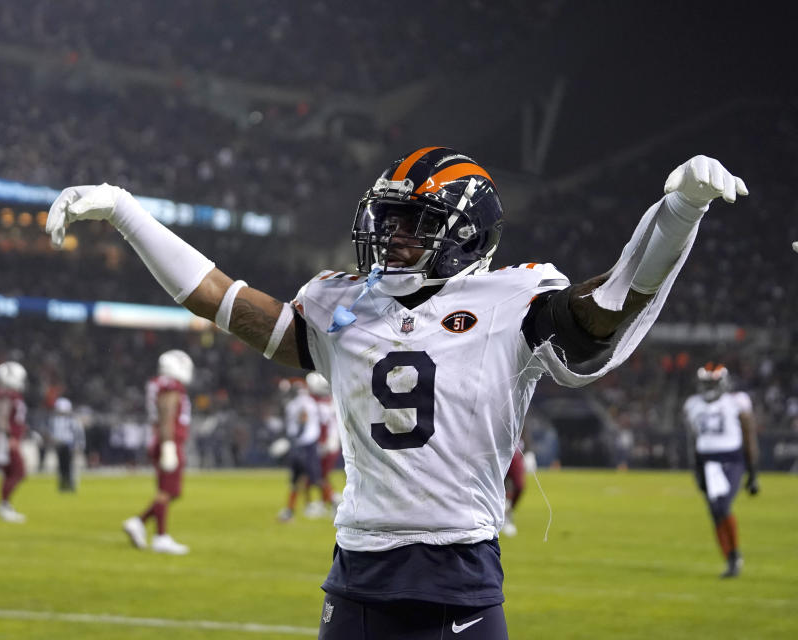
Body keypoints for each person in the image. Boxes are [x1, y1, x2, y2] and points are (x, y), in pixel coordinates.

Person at [48, 150, 747, 638]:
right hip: (356, 571)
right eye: (387, 218)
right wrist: (126, 213)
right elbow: (224, 302)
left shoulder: (514, 298)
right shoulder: (339, 305)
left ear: (464, 231)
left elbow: (610, 306)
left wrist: (679, 211)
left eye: (413, 223)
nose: (392, 236)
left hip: (457, 569)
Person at [682, 363, 759, 578]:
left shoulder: (737, 402)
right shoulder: (693, 405)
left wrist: (753, 473)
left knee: (722, 506)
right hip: (708, 464)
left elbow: (749, 437)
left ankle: (734, 557)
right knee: (715, 512)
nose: (708, 387)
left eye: (712, 383)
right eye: (706, 383)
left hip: (731, 460)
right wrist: (696, 469)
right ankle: (731, 558)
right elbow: (694, 441)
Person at [122, 349, 194, 555]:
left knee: (172, 491)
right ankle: (160, 537)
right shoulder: (171, 386)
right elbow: (167, 411)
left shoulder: (158, 383)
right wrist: (169, 444)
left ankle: (139, 522)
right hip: (166, 440)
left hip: (161, 439)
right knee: (165, 492)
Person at [275, 379, 322, 522]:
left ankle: (328, 503)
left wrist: (294, 439)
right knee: (305, 477)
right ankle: (296, 509)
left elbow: (303, 418)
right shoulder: (309, 401)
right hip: (306, 443)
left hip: (304, 443)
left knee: (309, 478)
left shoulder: (300, 403)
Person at [0, 361, 29, 523]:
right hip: (8, 439)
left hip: (9, 438)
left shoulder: (10, 394)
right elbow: (2, 417)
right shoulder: (6, 395)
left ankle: (4, 505)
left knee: (10, 473)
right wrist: (9, 437)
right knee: (19, 472)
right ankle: (4, 505)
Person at [307, 372, 342, 516]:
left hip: (326, 444)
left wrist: (321, 443)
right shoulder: (332, 401)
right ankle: (324, 503)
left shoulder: (320, 405)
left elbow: (323, 426)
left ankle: (334, 501)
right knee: (322, 476)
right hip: (333, 442)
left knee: (319, 476)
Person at [49, 397, 85, 492]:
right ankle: (63, 485)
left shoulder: (72, 421)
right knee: (61, 466)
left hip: (70, 446)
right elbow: (52, 433)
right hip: (59, 445)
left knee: (70, 466)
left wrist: (79, 445)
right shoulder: (54, 420)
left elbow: (78, 433)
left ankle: (71, 485)